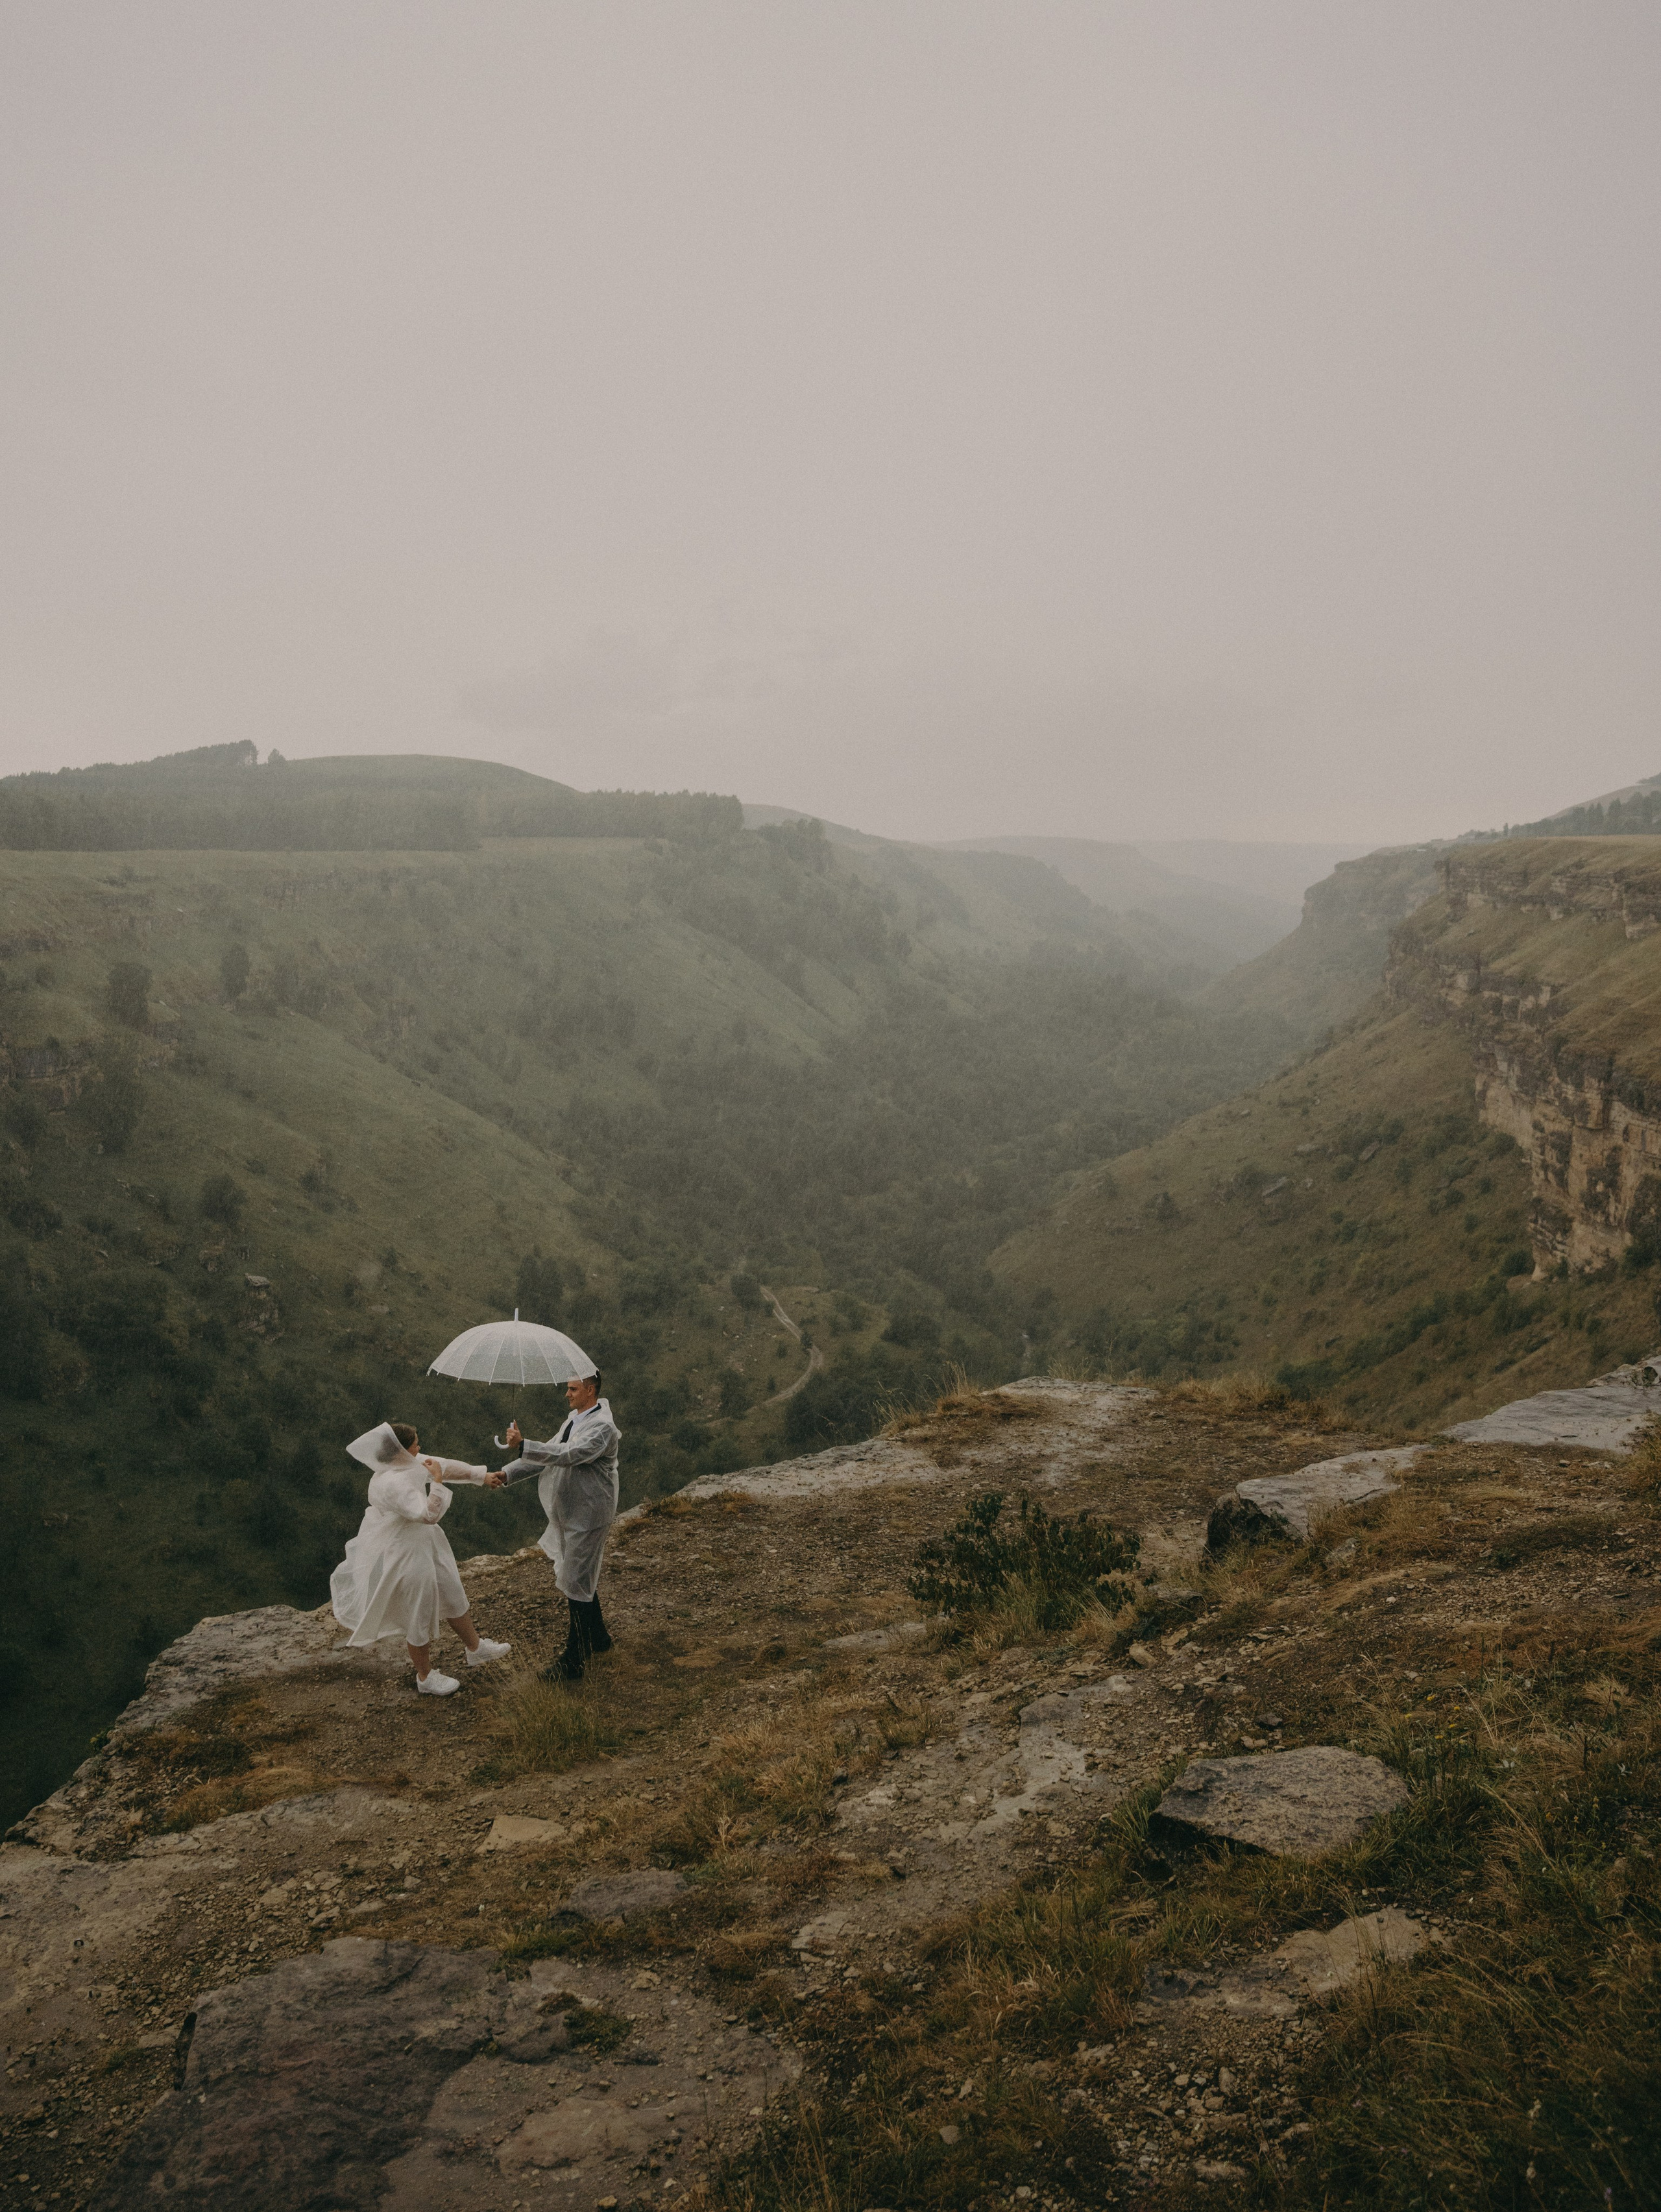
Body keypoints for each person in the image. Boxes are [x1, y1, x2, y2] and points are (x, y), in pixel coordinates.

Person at [330, 1421, 512, 1696]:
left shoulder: (406, 1463)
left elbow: (444, 1464)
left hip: (425, 1542)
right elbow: (428, 1515)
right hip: (405, 1551)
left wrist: (481, 1476)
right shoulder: (391, 1483)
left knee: (452, 1591)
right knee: (419, 1609)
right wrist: (437, 1482)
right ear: (401, 1451)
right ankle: (425, 1676)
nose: (420, 1447)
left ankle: (476, 1648)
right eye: (415, 1443)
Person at [494, 1371, 620, 1681]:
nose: (567, 1394)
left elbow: (568, 1455)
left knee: (575, 1577)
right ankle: (599, 1640)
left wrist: (524, 1444)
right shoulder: (573, 1421)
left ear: (590, 1390)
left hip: (590, 1514)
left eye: (572, 1389)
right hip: (572, 1511)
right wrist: (507, 1474)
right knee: (579, 1574)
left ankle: (573, 1661)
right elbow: (546, 1457)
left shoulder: (603, 1427)